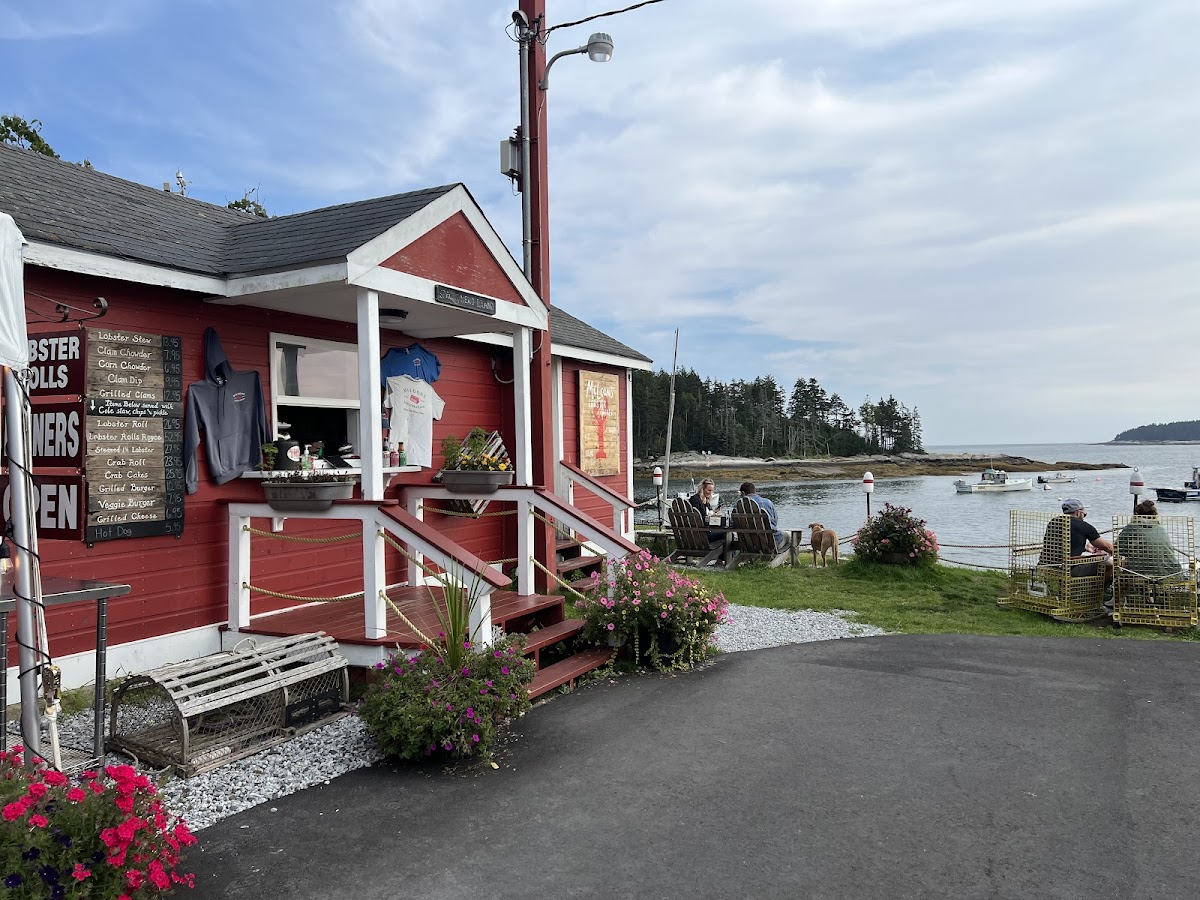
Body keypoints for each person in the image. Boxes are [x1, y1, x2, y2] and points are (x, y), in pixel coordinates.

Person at [1039, 499, 1114, 581]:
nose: (1084, 516)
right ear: (1078, 512)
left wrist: (1085, 548)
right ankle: (1100, 591)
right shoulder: (1083, 526)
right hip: (1067, 569)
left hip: (1046, 565)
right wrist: (1117, 552)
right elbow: (1107, 547)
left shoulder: (1054, 522)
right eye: (1084, 514)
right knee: (1109, 565)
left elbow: (1063, 543)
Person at [1115, 500, 1182, 579]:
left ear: (1136, 514)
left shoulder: (1131, 528)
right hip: (1172, 572)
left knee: (1120, 568)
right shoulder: (1161, 529)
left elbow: (1117, 550)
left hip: (1140, 574)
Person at [738, 482, 788, 553]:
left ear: (743, 493)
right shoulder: (768, 502)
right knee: (789, 536)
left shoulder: (739, 506)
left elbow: (734, 523)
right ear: (755, 491)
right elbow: (774, 522)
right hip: (771, 542)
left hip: (748, 543)